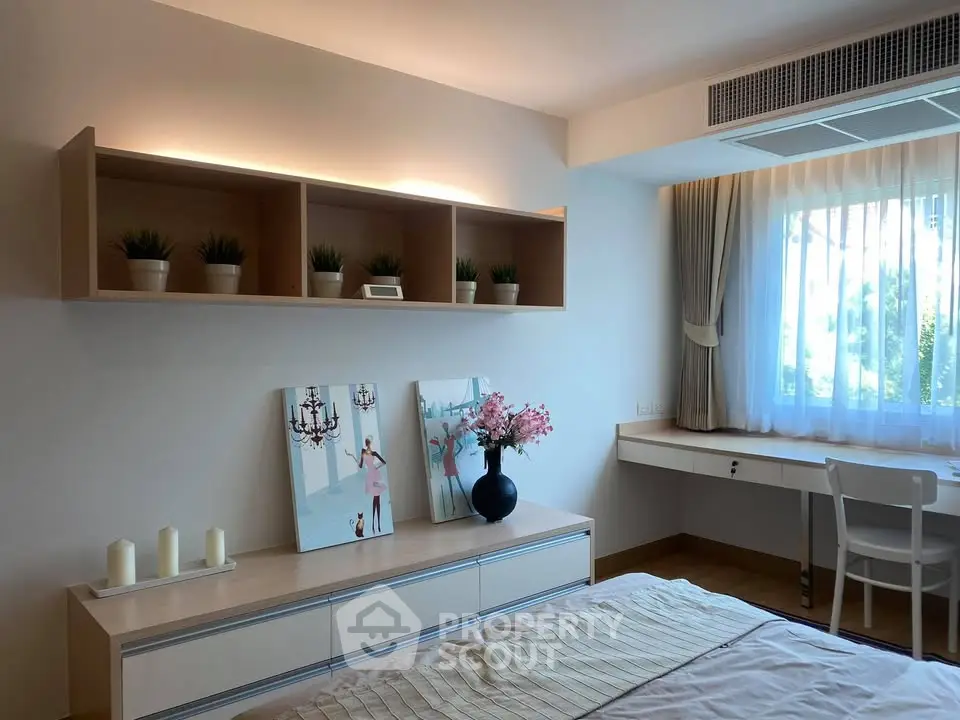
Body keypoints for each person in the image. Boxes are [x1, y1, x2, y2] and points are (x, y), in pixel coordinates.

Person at [429, 422, 474, 517]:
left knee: (459, 482)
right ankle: (453, 506)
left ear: (448, 427)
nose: (445, 429)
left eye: (446, 427)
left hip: (451, 459)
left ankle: (468, 503)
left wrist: (455, 454)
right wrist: (437, 444)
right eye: (444, 428)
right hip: (446, 459)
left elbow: (461, 447)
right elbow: (442, 451)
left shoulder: (453, 437)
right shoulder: (445, 439)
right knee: (450, 484)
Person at [346, 436, 387, 533]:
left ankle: (375, 525)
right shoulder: (369, 452)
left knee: (376, 499)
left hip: (372, 474)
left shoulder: (369, 452)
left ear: (366, 443)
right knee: (376, 499)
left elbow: (361, 465)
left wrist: (352, 456)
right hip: (373, 475)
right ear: (370, 444)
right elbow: (382, 463)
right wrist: (352, 455)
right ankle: (376, 525)